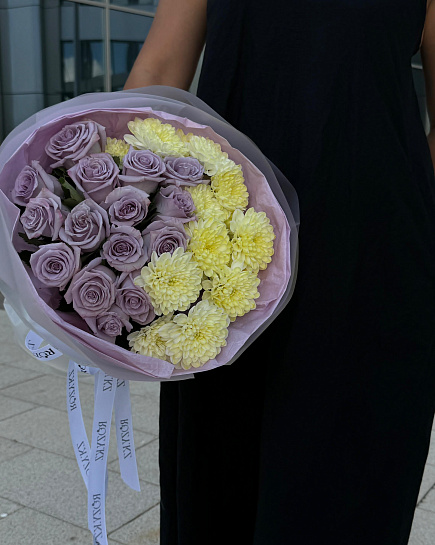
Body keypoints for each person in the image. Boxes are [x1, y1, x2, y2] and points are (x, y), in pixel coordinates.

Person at [124, 1, 435, 543]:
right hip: (227, 267)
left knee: (347, 496)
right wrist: (100, 215)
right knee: (220, 492)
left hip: (373, 268)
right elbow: (156, 76)